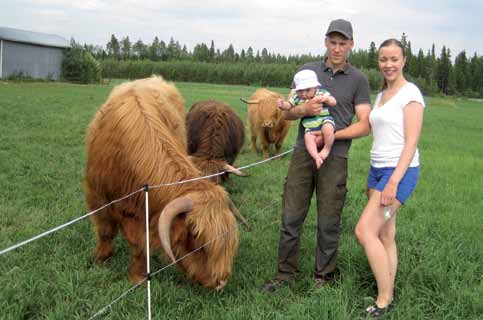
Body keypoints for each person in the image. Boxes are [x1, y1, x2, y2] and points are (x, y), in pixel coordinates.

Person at [262, 18, 371, 292]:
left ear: (351, 45)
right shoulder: (306, 71)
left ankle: (323, 278)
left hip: (336, 158)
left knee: (329, 221)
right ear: (325, 42)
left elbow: (364, 124)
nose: (337, 48)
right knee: (291, 216)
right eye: (332, 42)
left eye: (342, 43)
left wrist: (331, 137)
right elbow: (287, 111)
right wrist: (305, 110)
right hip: (302, 153)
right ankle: (284, 274)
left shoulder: (358, 80)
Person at [354, 39, 425, 317]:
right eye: (383, 59)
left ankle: (384, 300)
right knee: (385, 233)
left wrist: (394, 181)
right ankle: (389, 288)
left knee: (364, 231)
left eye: (394, 59)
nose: (388, 64)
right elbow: (370, 129)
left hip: (400, 172)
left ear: (404, 60)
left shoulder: (411, 94)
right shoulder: (382, 95)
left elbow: (411, 142)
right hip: (377, 170)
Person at [277, 69, 337, 169]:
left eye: (307, 90)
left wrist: (327, 99)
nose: (304, 94)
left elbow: (334, 102)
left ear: (316, 87)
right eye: (300, 91)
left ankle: (326, 149)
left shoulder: (321, 93)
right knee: (308, 139)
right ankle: (316, 157)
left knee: (329, 130)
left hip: (324, 121)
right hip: (310, 127)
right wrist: (283, 105)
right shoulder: (297, 98)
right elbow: (289, 106)